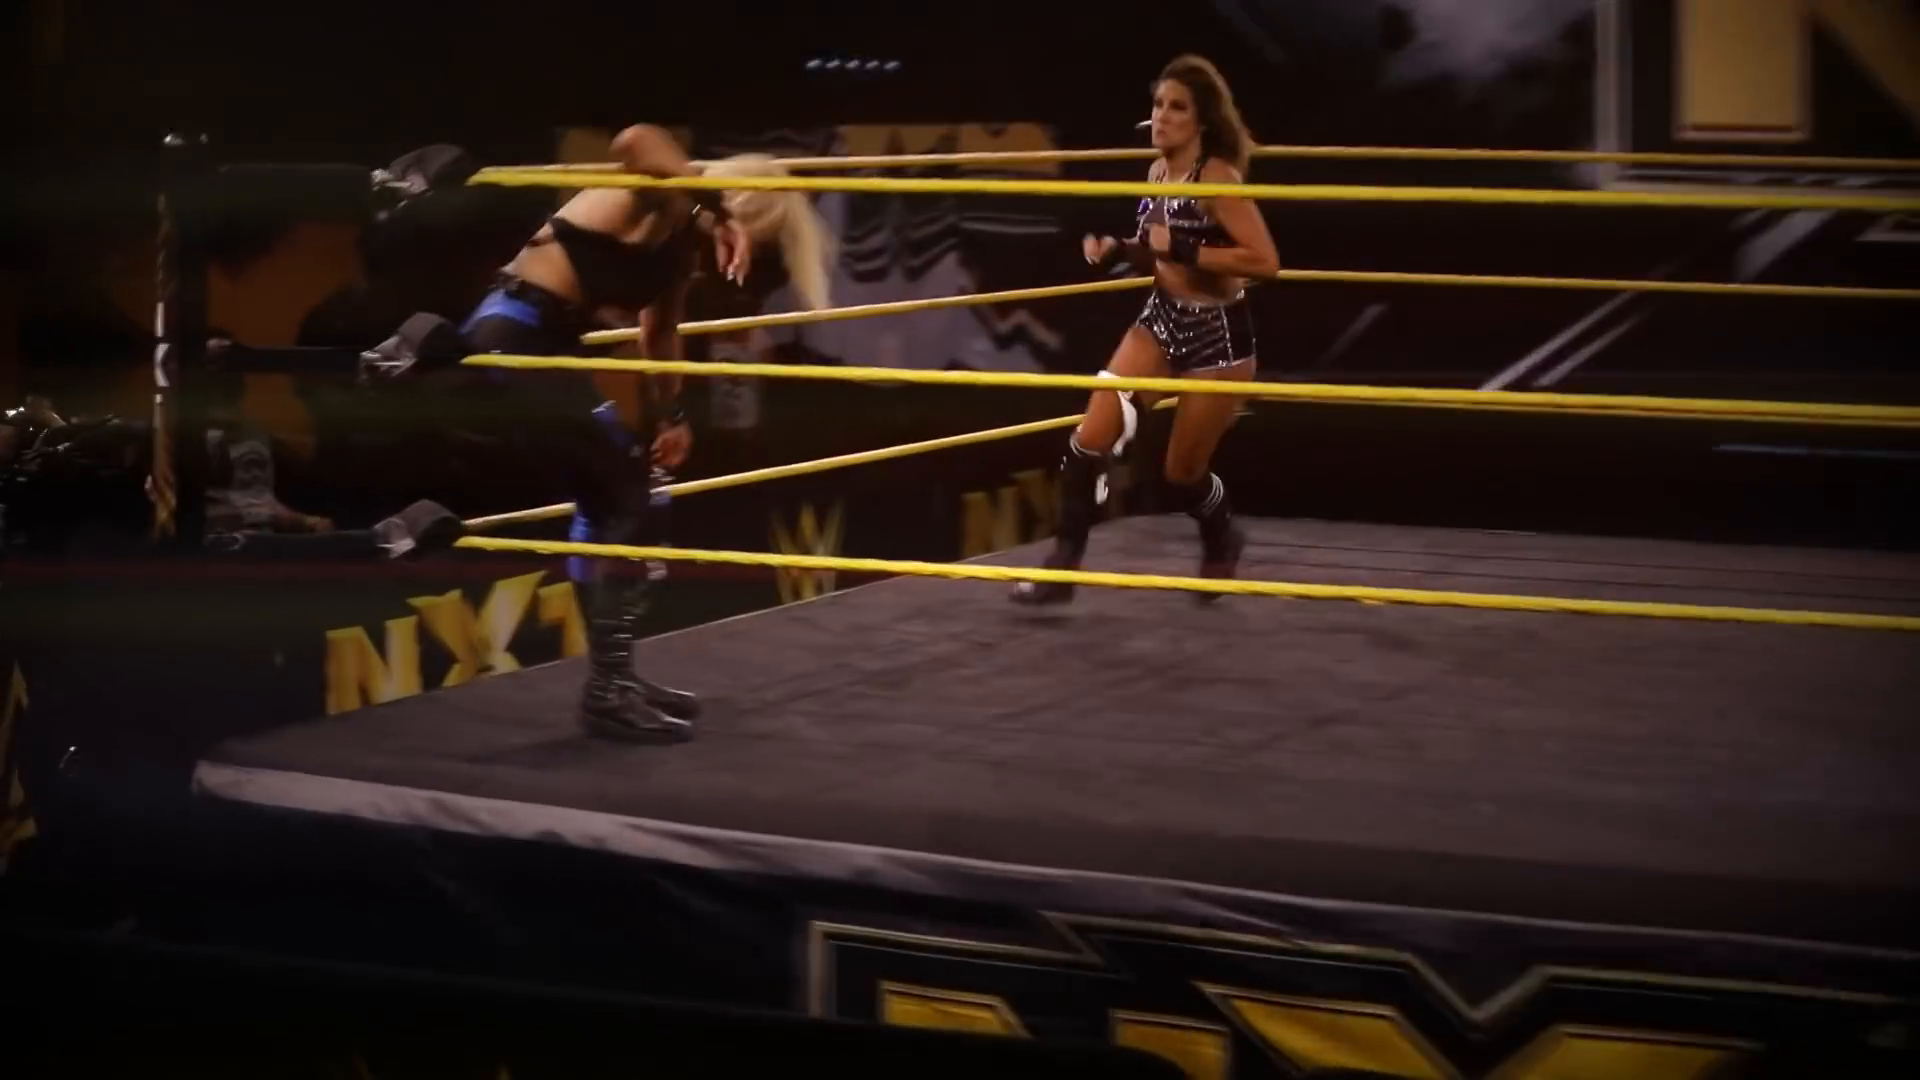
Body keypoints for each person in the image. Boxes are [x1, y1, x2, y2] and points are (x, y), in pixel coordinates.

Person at [459, 126, 835, 743]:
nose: (738, 251)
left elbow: (658, 334)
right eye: (747, 233)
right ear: (738, 209)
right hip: (511, 334)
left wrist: (670, 415)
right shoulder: (663, 193)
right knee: (626, 494)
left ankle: (615, 680)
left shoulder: (680, 247)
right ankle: (607, 690)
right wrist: (717, 208)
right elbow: (634, 138)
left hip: (547, 349)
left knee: (616, 498)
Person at [1012, 55, 1278, 606]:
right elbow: (1154, 249)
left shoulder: (1217, 178)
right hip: (1161, 318)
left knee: (1182, 473)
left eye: (1177, 108)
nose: (1162, 116)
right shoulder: (1157, 173)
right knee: (1089, 437)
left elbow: (1264, 261)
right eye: (1158, 105)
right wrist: (1118, 250)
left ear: (1201, 120)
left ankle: (1221, 532)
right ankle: (1061, 571)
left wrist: (1182, 249)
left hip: (1218, 336)